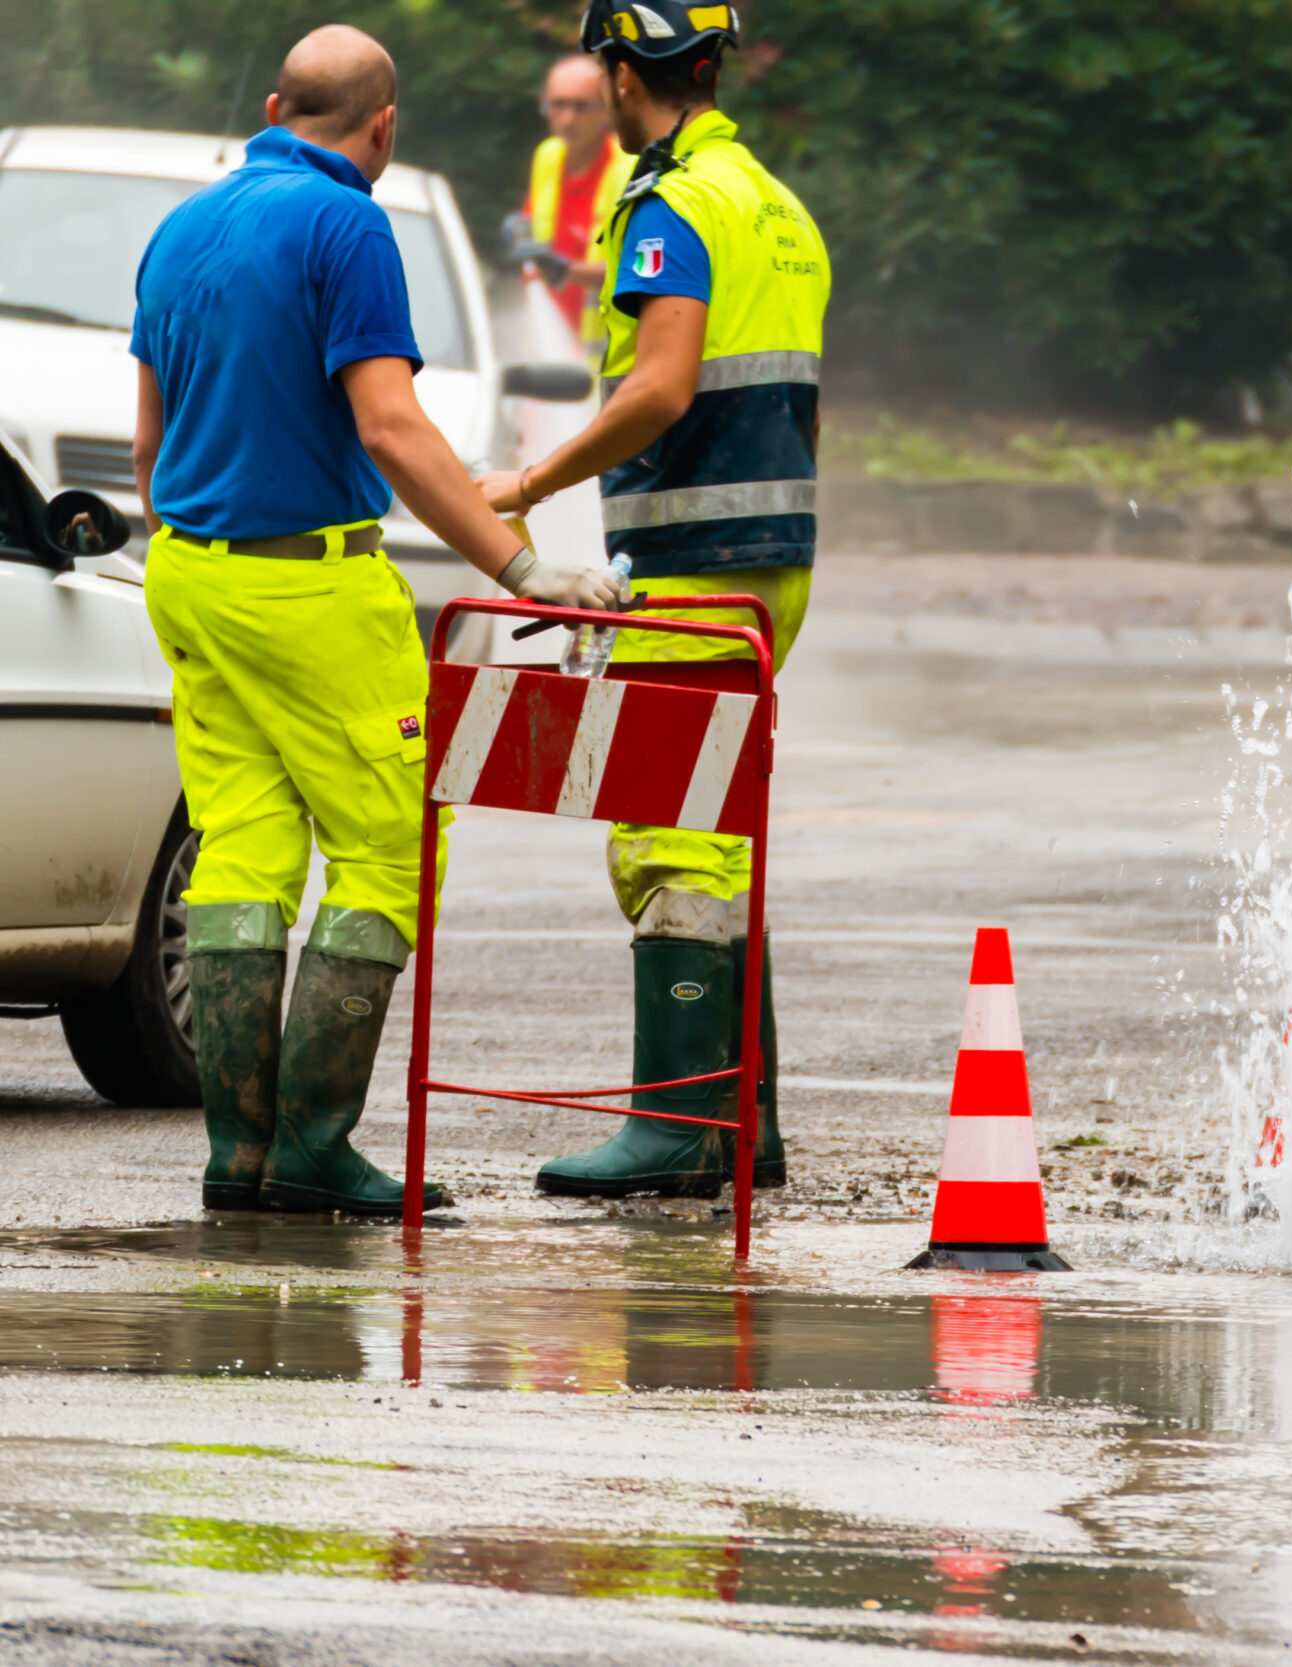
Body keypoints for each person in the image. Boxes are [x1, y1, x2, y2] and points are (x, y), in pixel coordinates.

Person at [133, 25, 626, 1216]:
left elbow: (150, 451)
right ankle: (312, 1147)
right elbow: (392, 427)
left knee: (244, 849)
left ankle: (236, 1155)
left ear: (271, 105)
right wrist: (524, 568)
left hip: (190, 575)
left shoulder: (180, 228)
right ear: (382, 129)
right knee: (390, 842)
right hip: (314, 585)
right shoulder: (352, 224)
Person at [480, 0, 829, 1200]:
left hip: (691, 551)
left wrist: (525, 482)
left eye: (606, 70)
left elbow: (664, 384)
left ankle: (678, 1124)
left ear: (629, 71)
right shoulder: (776, 206)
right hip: (770, 555)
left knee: (668, 824)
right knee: (721, 819)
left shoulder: (670, 202)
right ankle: (746, 1121)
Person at [524, 53, 634, 337]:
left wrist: (566, 271)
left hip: (602, 355)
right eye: (557, 105)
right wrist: (517, 231)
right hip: (546, 336)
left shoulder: (630, 170)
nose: (567, 119)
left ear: (607, 109)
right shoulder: (548, 154)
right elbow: (533, 222)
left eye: (581, 107)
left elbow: (639, 269)